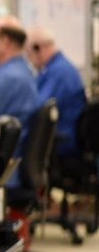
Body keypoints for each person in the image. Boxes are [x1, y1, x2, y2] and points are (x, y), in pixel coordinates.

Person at [0, 15, 39, 187]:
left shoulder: (7, 79)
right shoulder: (23, 71)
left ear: (5, 42)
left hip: (4, 169)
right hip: (14, 164)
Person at [26, 26, 87, 157]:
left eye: (29, 54)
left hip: (63, 142)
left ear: (38, 48)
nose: (29, 60)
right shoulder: (54, 69)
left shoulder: (59, 72)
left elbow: (39, 107)